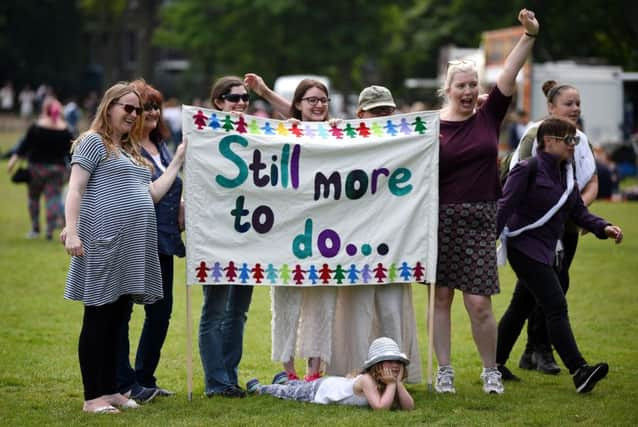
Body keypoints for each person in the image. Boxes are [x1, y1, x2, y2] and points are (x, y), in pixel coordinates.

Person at [431, 9, 539, 395]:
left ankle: (490, 369)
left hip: (480, 219)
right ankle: (444, 371)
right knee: (440, 298)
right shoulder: (431, 127)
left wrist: (528, 36)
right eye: (460, 85)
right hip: (439, 220)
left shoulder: (488, 115)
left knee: (478, 303)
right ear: (448, 89)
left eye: (471, 84)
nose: (466, 91)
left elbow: (508, 76)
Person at [61, 82, 186, 413]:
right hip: (103, 243)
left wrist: (178, 161)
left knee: (117, 320)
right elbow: (75, 190)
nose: (133, 115)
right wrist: (72, 231)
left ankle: (113, 390)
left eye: (138, 110)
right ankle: (93, 397)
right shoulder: (93, 142)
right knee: (99, 318)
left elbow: (152, 195)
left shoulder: (131, 150)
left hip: (132, 248)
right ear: (109, 107)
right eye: (127, 108)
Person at [495, 117, 623, 393]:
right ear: (549, 141)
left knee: (520, 307)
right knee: (555, 305)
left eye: (575, 140)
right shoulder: (526, 169)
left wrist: (604, 228)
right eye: (570, 140)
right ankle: (579, 370)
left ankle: (494, 364)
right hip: (524, 248)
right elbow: (504, 207)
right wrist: (486, 243)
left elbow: (579, 212)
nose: (574, 146)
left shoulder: (565, 173)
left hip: (545, 250)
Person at [326, 85, 422, 383]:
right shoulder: (344, 139)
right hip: (352, 242)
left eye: (387, 111)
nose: (382, 116)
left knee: (393, 311)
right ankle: (352, 372)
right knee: (355, 313)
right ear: (361, 113)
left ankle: (395, 374)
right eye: (376, 111)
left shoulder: (406, 141)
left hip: (393, 242)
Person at [245, 73, 336, 382]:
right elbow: (298, 120)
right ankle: (288, 369)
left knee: (322, 301)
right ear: (298, 103)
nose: (319, 105)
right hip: (288, 230)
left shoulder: (339, 135)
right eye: (312, 100)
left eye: (323, 100)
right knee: (285, 299)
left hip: (327, 233)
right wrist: (265, 92)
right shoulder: (284, 132)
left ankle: (314, 369)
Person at [506, 80, 599, 376]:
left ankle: (516, 355)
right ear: (551, 107)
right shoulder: (536, 136)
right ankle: (547, 354)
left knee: (536, 295)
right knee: (550, 296)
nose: (575, 109)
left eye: (578, 103)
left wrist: (577, 212)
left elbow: (591, 182)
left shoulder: (578, 139)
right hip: (533, 232)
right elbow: (514, 188)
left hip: (566, 228)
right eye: (569, 103)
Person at [116, 79, 185, 401]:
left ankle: (145, 377)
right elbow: (151, 194)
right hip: (137, 239)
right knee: (124, 311)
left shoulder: (161, 146)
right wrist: (177, 162)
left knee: (161, 312)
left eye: (157, 106)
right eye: (146, 107)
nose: (154, 112)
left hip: (166, 240)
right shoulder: (128, 150)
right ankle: (124, 381)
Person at [199, 76, 254, 398]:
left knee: (238, 312)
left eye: (245, 98)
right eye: (234, 98)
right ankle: (216, 381)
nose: (240, 103)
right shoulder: (205, 135)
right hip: (216, 236)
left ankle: (229, 377)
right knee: (215, 310)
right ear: (218, 101)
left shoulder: (256, 135)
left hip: (249, 234)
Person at [246, 337, 414, 410]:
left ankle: (285, 381)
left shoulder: (388, 382)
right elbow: (380, 408)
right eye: (389, 360)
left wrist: (398, 383)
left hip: (331, 383)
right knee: (291, 394)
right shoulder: (367, 380)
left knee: (299, 387)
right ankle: (261, 388)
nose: (395, 365)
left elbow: (409, 407)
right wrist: (393, 384)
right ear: (376, 365)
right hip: (321, 390)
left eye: (398, 361)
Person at [7, 96, 73, 240]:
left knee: (33, 199)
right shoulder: (66, 129)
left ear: (45, 110)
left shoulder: (36, 127)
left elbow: (24, 146)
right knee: (53, 199)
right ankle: (49, 231)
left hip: (36, 169)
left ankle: (35, 230)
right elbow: (71, 152)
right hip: (57, 170)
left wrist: (13, 160)